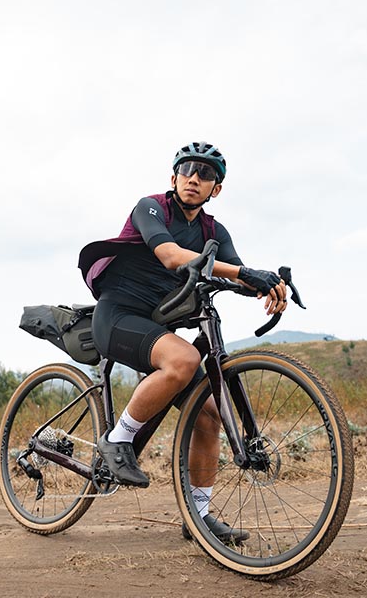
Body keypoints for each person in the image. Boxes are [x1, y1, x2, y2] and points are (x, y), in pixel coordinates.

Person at [77, 142, 287, 543]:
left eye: (206, 174)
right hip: (119, 314)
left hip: (157, 326)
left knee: (208, 414)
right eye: (187, 169)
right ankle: (117, 440)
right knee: (185, 359)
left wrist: (269, 284)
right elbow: (172, 256)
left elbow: (232, 274)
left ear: (216, 189)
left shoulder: (213, 231)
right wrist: (247, 272)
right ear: (173, 178)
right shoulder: (150, 207)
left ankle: (199, 515)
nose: (195, 178)